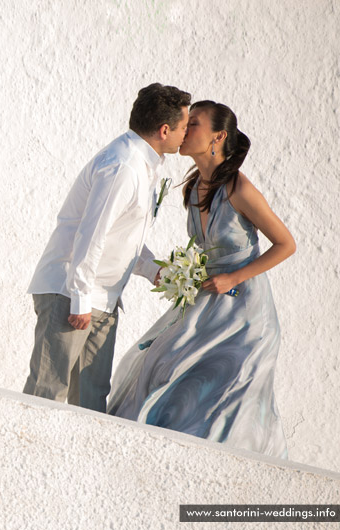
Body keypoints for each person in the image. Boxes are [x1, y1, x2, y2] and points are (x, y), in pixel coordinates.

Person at [107, 101, 296, 458]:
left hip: (245, 316)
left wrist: (232, 277)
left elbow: (286, 244)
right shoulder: (193, 188)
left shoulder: (240, 188)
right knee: (161, 367)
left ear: (218, 137)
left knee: (225, 398)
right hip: (205, 303)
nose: (184, 127)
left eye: (193, 123)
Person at [23, 83, 192, 411]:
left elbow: (123, 237)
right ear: (164, 130)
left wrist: (155, 271)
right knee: (47, 393)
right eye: (184, 127)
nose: (186, 134)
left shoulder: (143, 166)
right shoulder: (123, 166)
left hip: (102, 299)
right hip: (70, 294)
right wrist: (80, 298)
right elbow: (92, 233)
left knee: (91, 403)